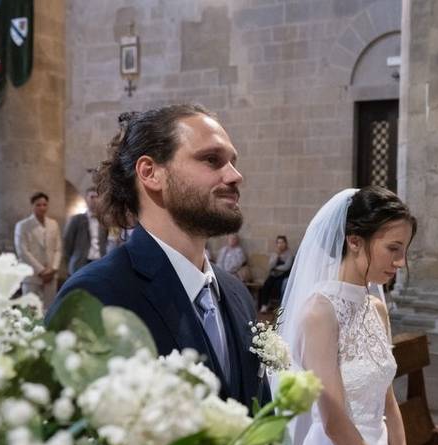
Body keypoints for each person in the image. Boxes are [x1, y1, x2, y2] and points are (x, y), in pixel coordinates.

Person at [47, 104, 266, 409]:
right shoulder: (96, 295)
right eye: (212, 160)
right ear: (151, 173)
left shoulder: (236, 293)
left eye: (233, 162)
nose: (235, 176)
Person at [280, 186, 418, 445]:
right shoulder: (319, 312)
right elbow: (334, 421)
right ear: (355, 241)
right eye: (393, 248)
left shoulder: (377, 308)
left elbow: (388, 402)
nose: (400, 262)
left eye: (404, 250)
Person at [14, 192, 62, 308]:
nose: (42, 207)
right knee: (31, 310)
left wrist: (53, 268)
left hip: (51, 274)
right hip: (32, 274)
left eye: (44, 205)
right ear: (32, 206)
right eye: (38, 205)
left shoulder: (53, 224)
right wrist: (41, 270)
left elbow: (58, 248)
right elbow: (23, 251)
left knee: (49, 308)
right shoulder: (23, 225)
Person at [62, 187, 111, 276]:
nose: (95, 200)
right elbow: (67, 243)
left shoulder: (104, 220)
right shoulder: (76, 219)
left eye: (97, 197)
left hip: (99, 261)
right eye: (92, 197)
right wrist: (71, 260)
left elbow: (107, 240)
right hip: (81, 262)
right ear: (86, 199)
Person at [258, 235, 293, 312]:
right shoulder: (274, 254)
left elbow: (286, 266)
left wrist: (276, 268)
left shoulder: (289, 254)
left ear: (286, 243)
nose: (280, 244)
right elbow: (270, 265)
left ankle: (280, 307)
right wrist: (276, 257)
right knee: (266, 284)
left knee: (279, 286)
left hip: (283, 275)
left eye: (282, 242)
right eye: (278, 242)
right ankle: (264, 305)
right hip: (274, 275)